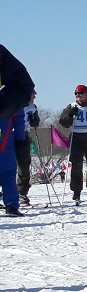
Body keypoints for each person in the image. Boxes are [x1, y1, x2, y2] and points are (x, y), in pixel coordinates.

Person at [1, 46, 36, 216]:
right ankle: (11, 204)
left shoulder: (7, 99)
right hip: (5, 138)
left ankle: (11, 204)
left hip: (5, 138)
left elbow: (19, 116)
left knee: (8, 170)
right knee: (8, 170)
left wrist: (21, 139)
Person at [15, 94, 39, 208]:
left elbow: (36, 122)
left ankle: (22, 193)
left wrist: (35, 120)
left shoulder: (32, 107)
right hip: (11, 135)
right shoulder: (14, 103)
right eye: (32, 96)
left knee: (24, 165)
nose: (34, 98)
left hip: (25, 135)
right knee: (7, 165)